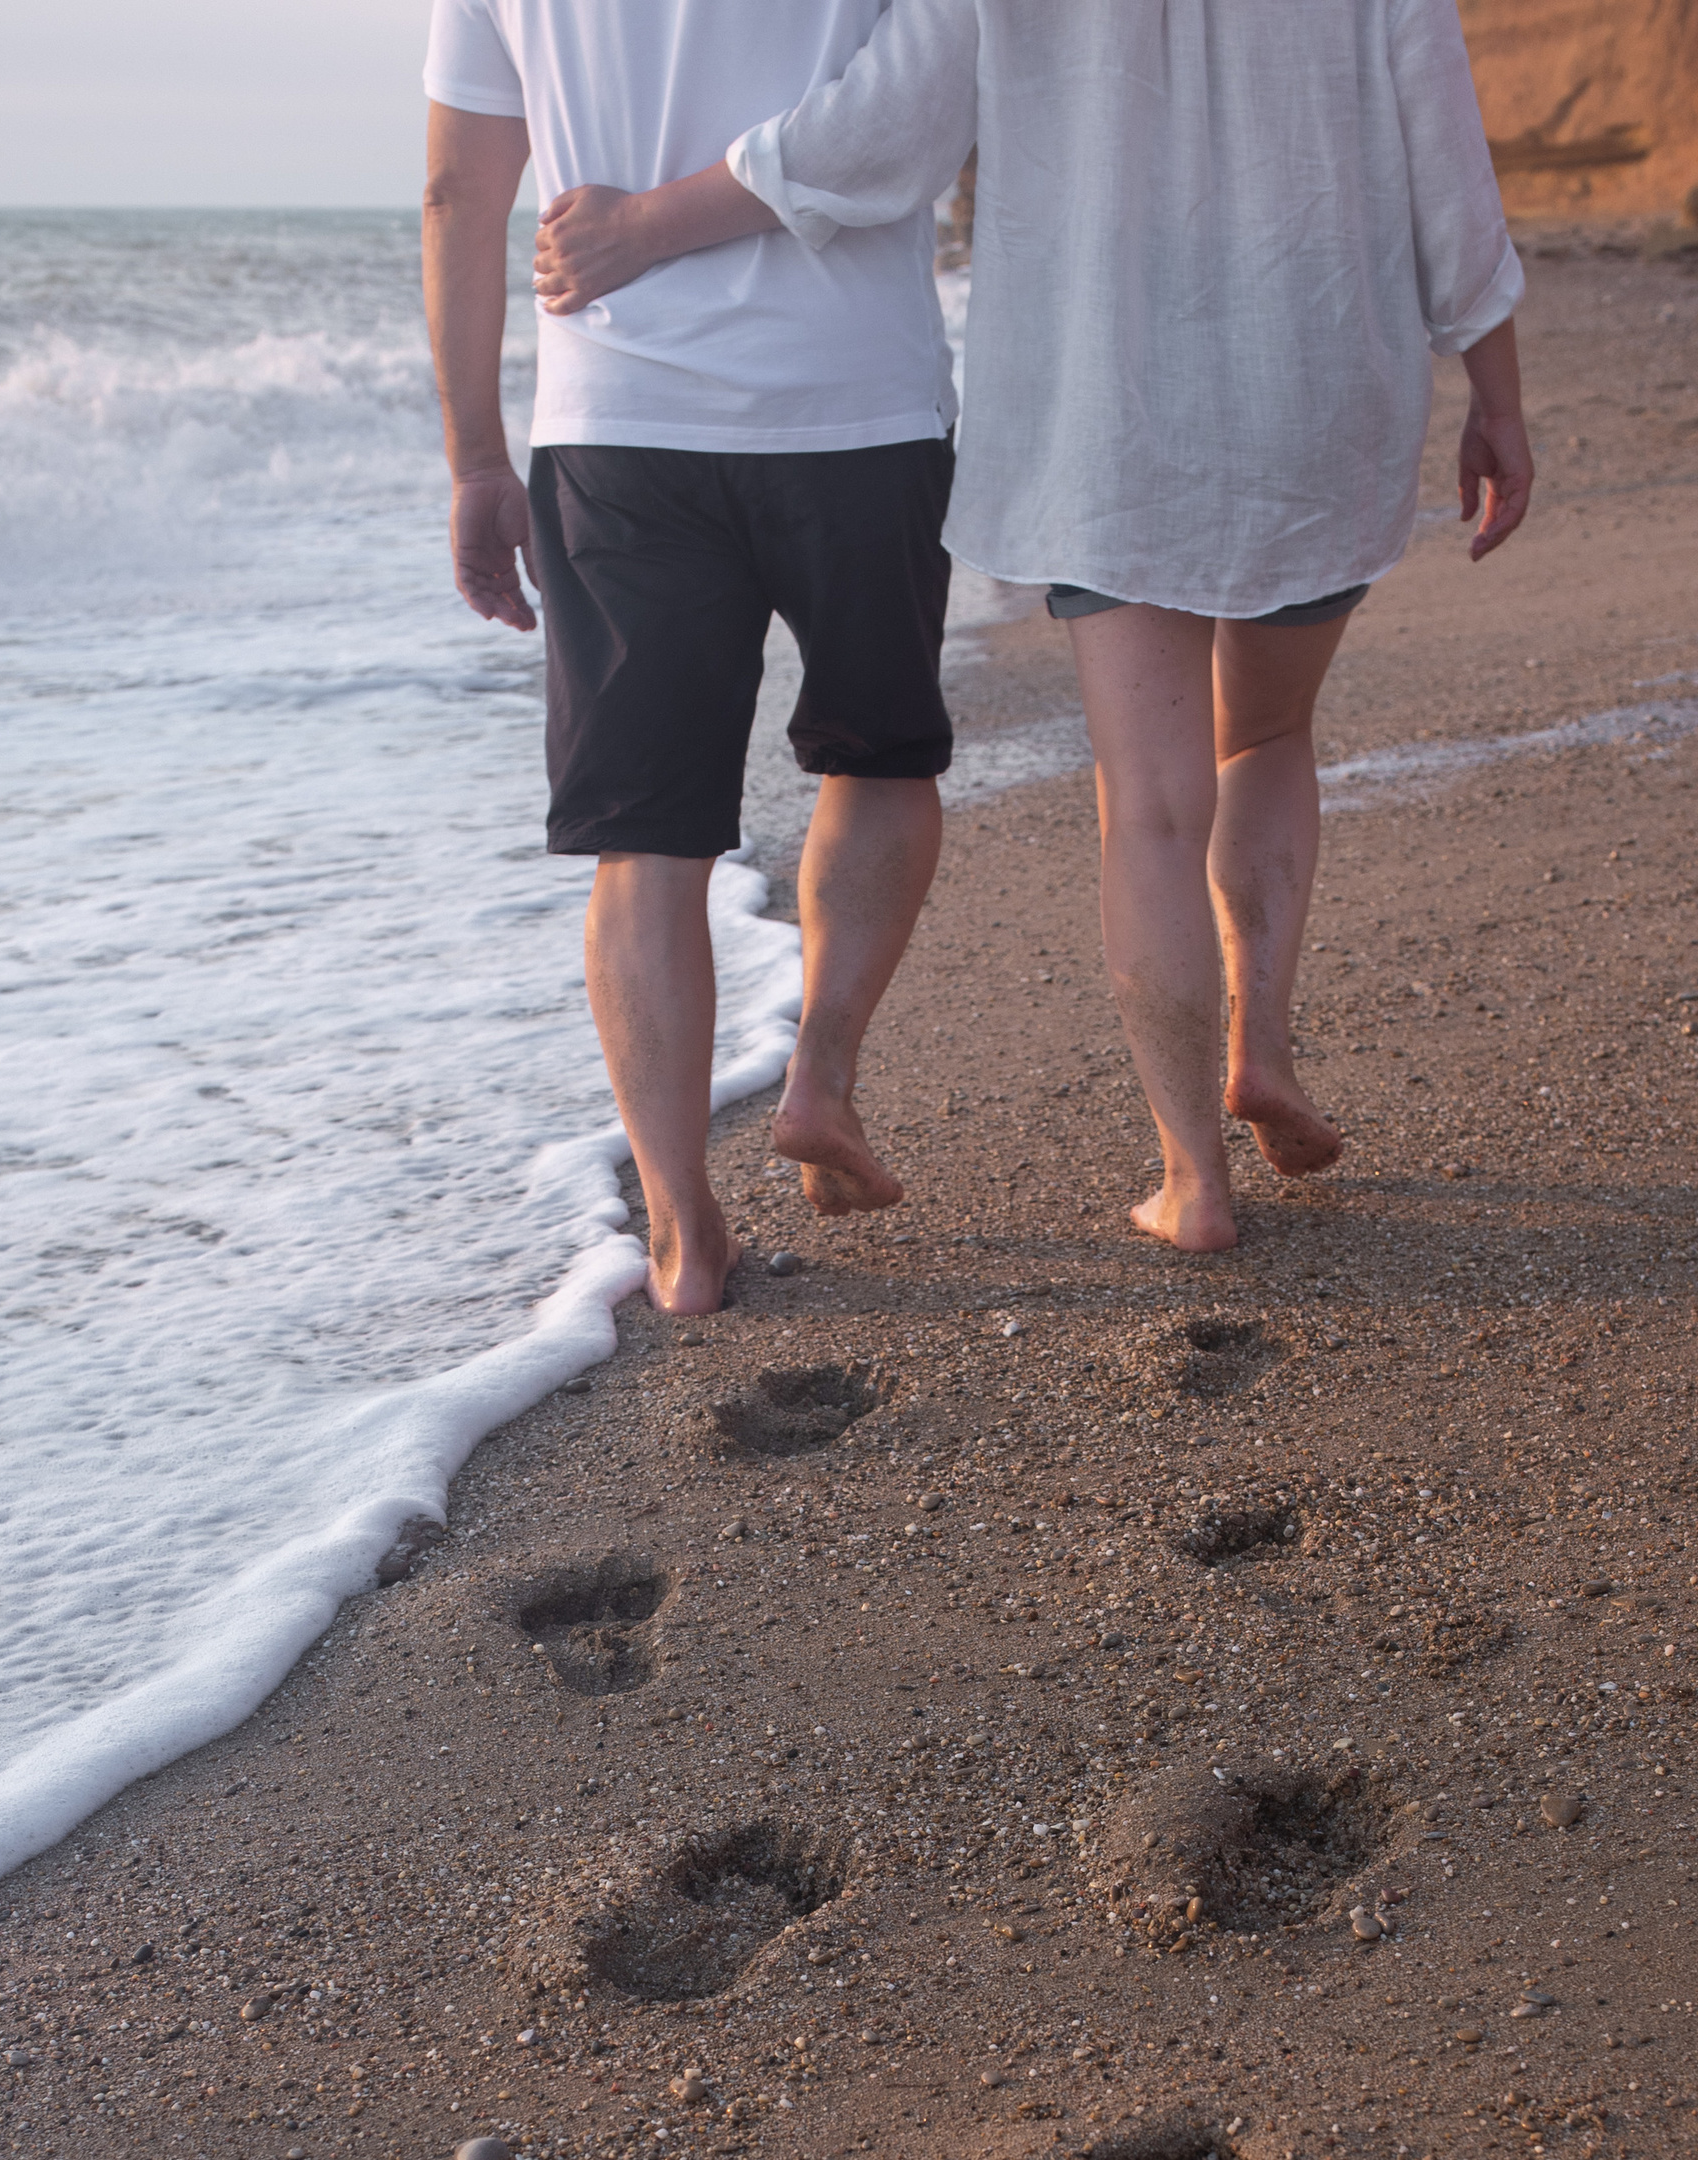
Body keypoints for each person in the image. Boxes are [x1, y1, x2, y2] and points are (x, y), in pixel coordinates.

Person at [534, 0, 1532, 1257]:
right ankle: (1262, 1048)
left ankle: (1193, 1180)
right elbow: (1447, 162)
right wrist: (1496, 393)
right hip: (1314, 369)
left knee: (1150, 806)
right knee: (1268, 735)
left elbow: (882, 125)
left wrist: (644, 226)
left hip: (1100, 397)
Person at [421, 0, 963, 1314]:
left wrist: (476, 457)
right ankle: (821, 1074)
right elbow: (923, 111)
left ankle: (680, 1230)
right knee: (880, 760)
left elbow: (458, 191)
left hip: (617, 420)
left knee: (645, 841)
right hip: (854, 405)